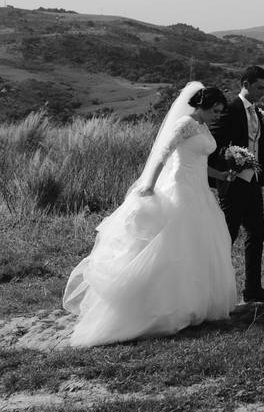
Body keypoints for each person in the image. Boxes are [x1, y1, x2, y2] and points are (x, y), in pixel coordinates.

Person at [63, 83, 239, 347]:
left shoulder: (202, 127)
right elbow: (162, 155)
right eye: (214, 110)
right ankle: (164, 306)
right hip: (180, 191)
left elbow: (199, 163)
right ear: (201, 106)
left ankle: (194, 303)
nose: (217, 116)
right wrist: (149, 185)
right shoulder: (185, 124)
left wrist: (221, 175)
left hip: (200, 191)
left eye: (219, 112)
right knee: (174, 246)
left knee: (198, 246)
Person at [210, 66, 264, 302]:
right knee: (227, 236)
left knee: (257, 232)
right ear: (246, 84)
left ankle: (253, 289)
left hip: (253, 183)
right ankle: (215, 292)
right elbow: (213, 145)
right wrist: (230, 158)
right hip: (232, 183)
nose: (263, 92)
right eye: (259, 87)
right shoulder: (230, 111)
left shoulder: (256, 112)